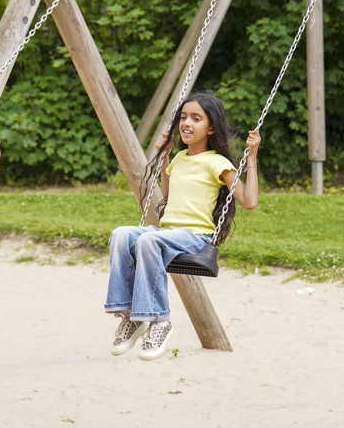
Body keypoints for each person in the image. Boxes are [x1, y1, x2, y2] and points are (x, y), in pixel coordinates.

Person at [105, 91, 261, 361]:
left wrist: (252, 158)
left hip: (195, 237)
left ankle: (160, 320)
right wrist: (165, 156)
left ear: (211, 127)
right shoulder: (179, 159)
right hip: (167, 233)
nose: (187, 123)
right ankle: (131, 315)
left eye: (196, 118)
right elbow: (168, 194)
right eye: (184, 117)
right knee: (121, 234)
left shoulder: (218, 162)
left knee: (147, 241)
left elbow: (249, 201)